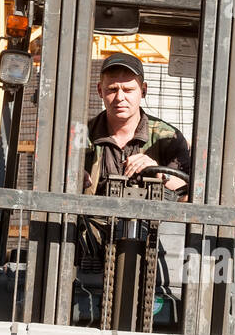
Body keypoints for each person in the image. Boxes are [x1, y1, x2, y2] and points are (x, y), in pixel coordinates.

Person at [78, 52, 191, 262]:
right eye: (112, 89)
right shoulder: (81, 136)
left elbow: (189, 192)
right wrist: (73, 177)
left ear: (144, 90)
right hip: (87, 252)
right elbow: (54, 177)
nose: (120, 97)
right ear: (100, 91)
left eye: (128, 89)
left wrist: (159, 172)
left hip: (151, 252)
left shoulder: (166, 138)